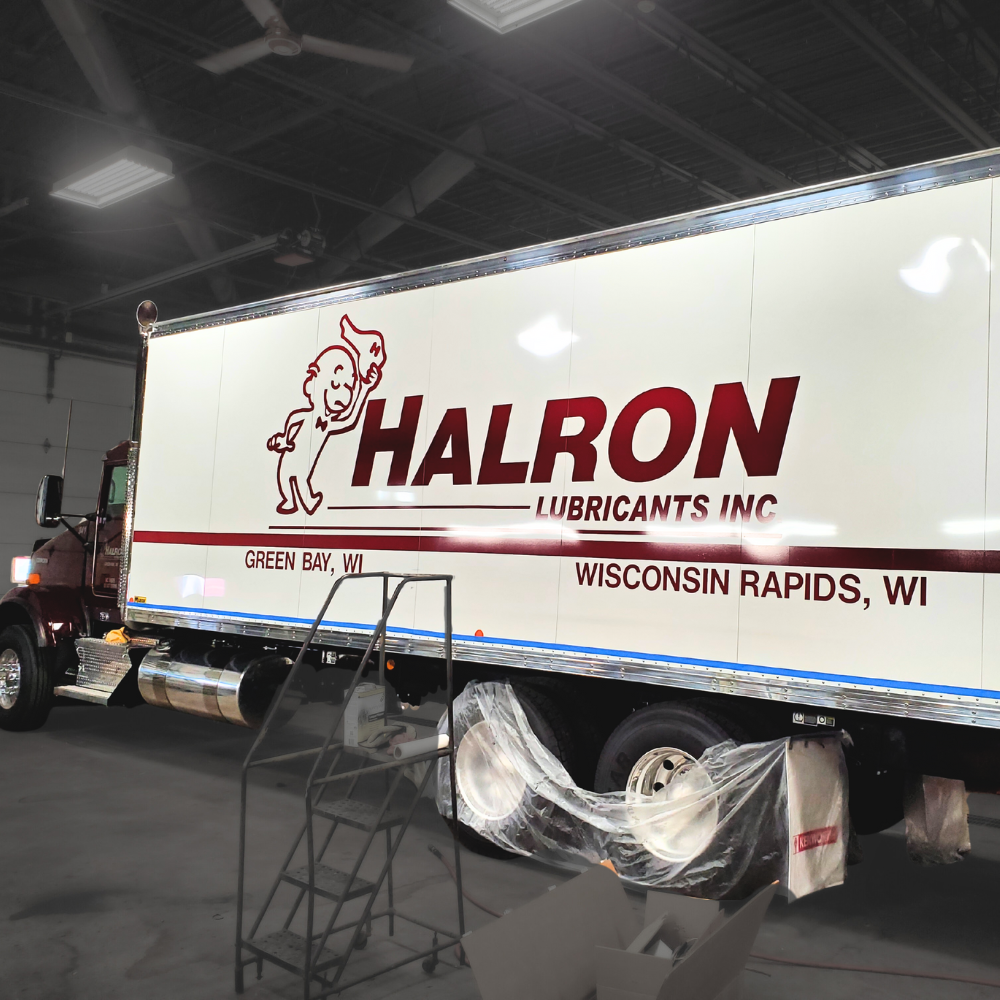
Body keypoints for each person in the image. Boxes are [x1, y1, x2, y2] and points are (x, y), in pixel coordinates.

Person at [268, 314, 387, 515]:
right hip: (288, 459)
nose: (344, 392)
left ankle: (309, 502)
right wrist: (282, 440)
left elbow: (350, 417)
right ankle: (289, 500)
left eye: (349, 386)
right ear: (313, 382)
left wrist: (365, 388)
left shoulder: (328, 424)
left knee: (302, 481)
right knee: (284, 476)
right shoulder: (301, 417)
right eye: (335, 384)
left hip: (302, 466)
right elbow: (290, 426)